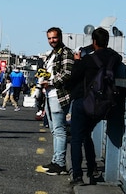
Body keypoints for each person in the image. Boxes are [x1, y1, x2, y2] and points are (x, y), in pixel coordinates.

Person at [66, 27, 123, 186]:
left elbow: (73, 77)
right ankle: (92, 169)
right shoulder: (115, 59)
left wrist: (77, 60)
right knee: (87, 134)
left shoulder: (87, 60)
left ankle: (78, 176)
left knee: (77, 138)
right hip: (104, 104)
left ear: (94, 42)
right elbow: (116, 60)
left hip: (84, 102)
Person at [36, 26, 75, 176]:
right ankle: (55, 160)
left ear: (60, 37)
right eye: (49, 38)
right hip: (49, 95)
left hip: (59, 96)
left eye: (54, 37)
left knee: (59, 130)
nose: (52, 41)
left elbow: (67, 73)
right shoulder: (51, 54)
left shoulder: (66, 52)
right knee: (54, 130)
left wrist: (50, 82)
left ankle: (59, 163)